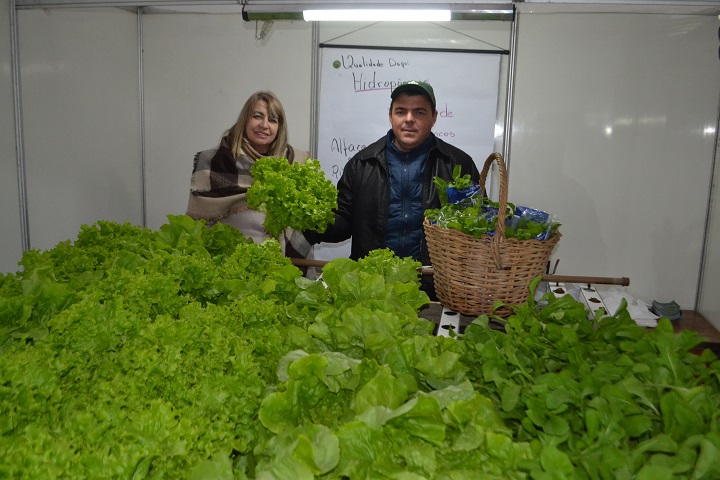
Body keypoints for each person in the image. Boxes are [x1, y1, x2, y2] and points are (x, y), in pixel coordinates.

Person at [305, 80, 481, 298]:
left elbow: (475, 228)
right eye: (401, 111)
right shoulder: (362, 164)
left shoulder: (457, 164)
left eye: (419, 112)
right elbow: (342, 223)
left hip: (434, 290)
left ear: (433, 117)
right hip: (372, 287)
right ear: (390, 115)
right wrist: (308, 220)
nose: (409, 119)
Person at [186, 90, 313, 263]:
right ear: (245, 120)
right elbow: (199, 224)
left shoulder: (296, 163)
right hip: (230, 266)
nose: (264, 125)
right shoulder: (216, 162)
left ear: (279, 128)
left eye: (273, 120)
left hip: (284, 266)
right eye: (258, 116)